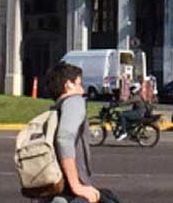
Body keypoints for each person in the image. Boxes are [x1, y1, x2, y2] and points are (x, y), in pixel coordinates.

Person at [46, 62, 121, 203]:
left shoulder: (54, 110)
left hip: (55, 187)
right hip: (72, 192)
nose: (82, 90)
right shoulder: (74, 101)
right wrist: (76, 186)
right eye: (79, 84)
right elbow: (65, 138)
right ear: (69, 85)